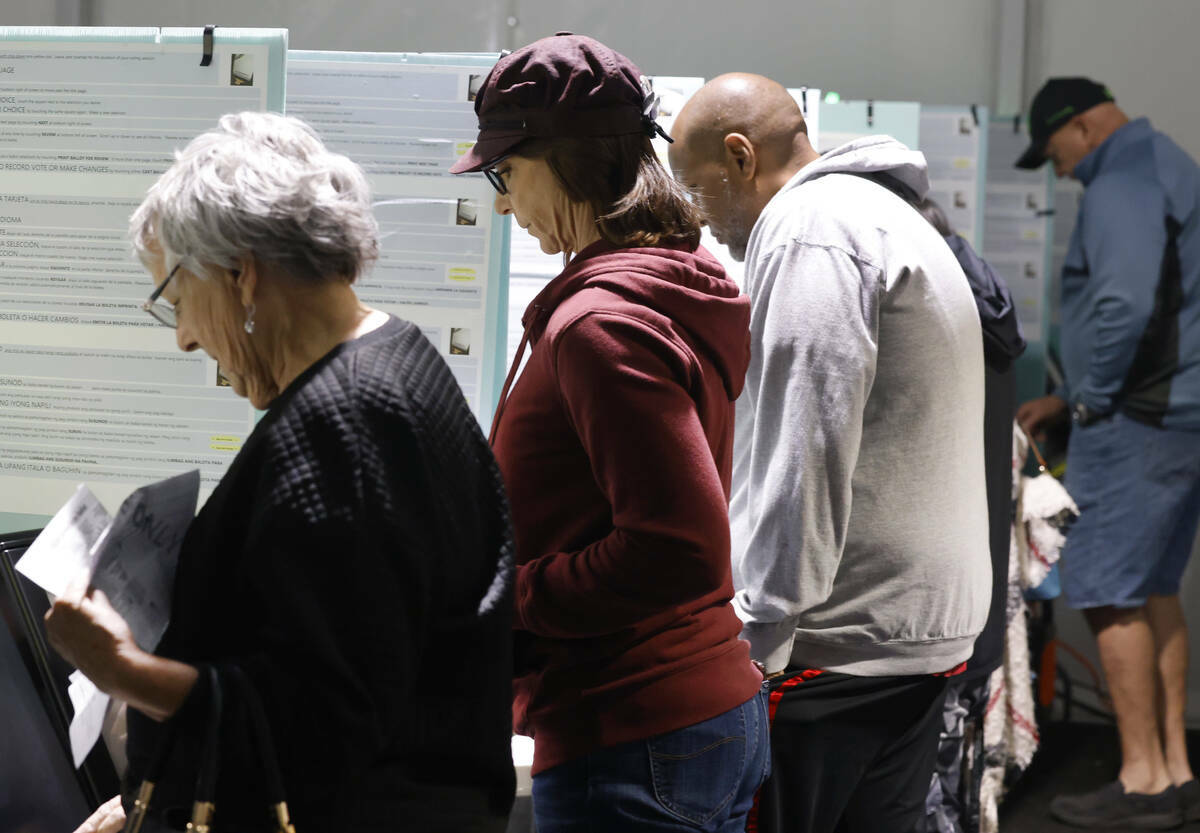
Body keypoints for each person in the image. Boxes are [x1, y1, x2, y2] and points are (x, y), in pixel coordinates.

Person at [45, 111, 516, 833]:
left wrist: (121, 669)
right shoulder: (398, 355)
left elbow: (320, 720)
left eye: (177, 301)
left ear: (241, 273)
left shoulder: (345, 421)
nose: (184, 338)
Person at [449, 34, 768, 833]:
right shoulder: (663, 285)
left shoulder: (602, 325)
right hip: (675, 719)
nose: (499, 200)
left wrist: (510, 595)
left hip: (633, 726)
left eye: (505, 172)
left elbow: (678, 546)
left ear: (564, 163)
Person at [670, 73, 992, 833]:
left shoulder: (811, 229)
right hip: (916, 636)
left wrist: (758, 638)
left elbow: (803, 454)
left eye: (697, 189)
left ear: (740, 156)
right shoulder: (887, 212)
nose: (698, 216)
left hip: (836, 643)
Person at [1014, 77, 1200, 830]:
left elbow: (1124, 301)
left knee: (1106, 589)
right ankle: (1176, 768)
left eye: (1054, 150)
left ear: (1084, 127)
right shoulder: (1168, 162)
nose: (1057, 170)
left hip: (1135, 419)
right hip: (1177, 416)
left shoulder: (1121, 179)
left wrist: (1084, 400)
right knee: (1154, 587)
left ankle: (1142, 780)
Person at [910, 197, 1026, 833]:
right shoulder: (981, 302)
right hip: (969, 600)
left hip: (923, 613)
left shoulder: (930, 315)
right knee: (952, 780)